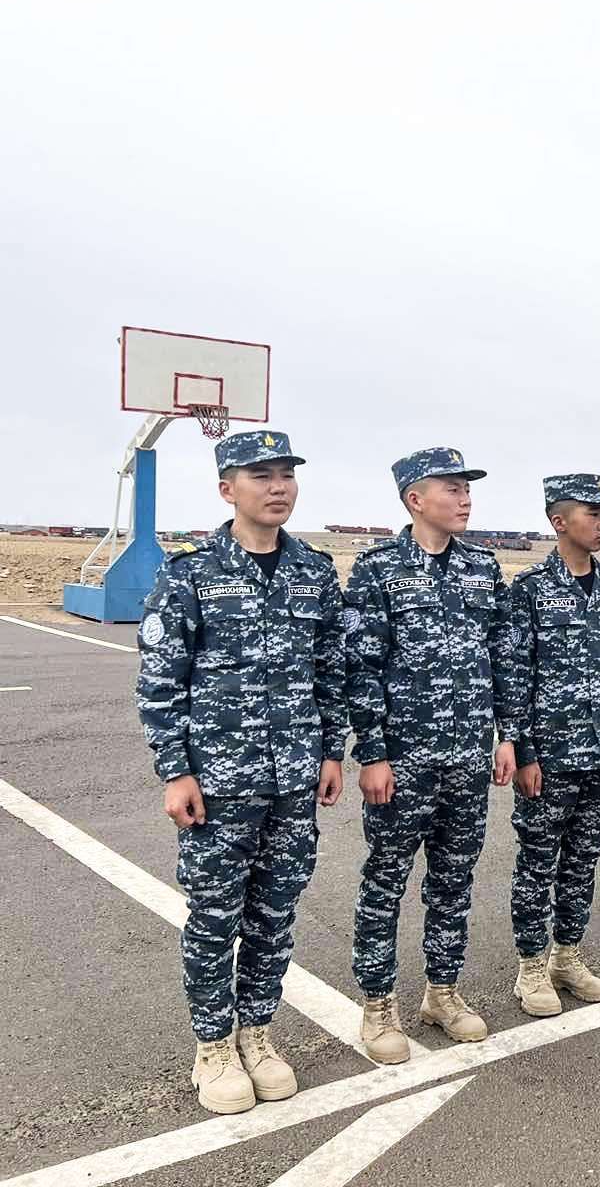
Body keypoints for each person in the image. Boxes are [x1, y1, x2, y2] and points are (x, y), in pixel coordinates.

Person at [136, 430, 346, 1115]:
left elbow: (330, 670)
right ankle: (213, 1045)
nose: (278, 486)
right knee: (214, 918)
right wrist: (176, 771)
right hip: (219, 783)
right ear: (228, 488)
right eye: (261, 475)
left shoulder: (314, 571)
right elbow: (162, 678)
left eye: (286, 474)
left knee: (274, 916)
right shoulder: (191, 572)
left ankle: (257, 1033)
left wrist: (329, 751)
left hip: (292, 782)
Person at [344, 447, 519, 1062]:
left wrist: (506, 735)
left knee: (453, 881)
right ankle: (377, 1006)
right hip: (405, 759)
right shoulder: (379, 569)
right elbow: (361, 668)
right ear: (415, 499)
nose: (465, 497)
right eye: (452, 488)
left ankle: (442, 992)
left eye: (467, 487)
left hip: (469, 757)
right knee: (386, 881)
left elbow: (501, 655)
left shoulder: (480, 567)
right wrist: (373, 753)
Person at [507, 473, 600, 1016]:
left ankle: (567, 954)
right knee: (538, 862)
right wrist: (524, 751)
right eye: (592, 513)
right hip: (552, 752)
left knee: (583, 860)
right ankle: (531, 965)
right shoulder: (531, 590)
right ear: (558, 521)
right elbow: (516, 675)